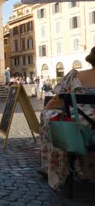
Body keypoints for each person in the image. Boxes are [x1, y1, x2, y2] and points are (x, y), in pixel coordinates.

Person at [39, 47, 95, 191]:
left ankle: (55, 168)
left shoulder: (75, 77)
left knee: (51, 121)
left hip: (81, 130)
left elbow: (59, 98)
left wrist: (46, 110)